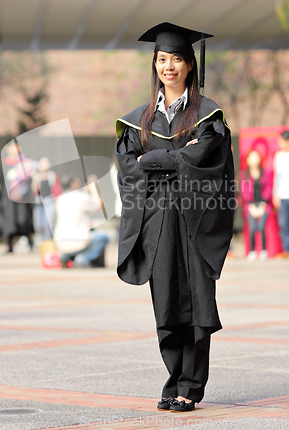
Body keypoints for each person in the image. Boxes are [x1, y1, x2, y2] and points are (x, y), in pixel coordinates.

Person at [115, 22, 235, 412]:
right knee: (165, 301)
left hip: (195, 218)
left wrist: (154, 160)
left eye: (177, 59)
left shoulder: (207, 115)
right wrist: (174, 159)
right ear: (155, 65)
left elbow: (205, 161)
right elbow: (128, 169)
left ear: (189, 66)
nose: (169, 66)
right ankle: (173, 379)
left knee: (198, 302)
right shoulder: (140, 120)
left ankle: (191, 386)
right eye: (162, 59)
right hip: (159, 220)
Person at [54, 173, 109, 267]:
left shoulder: (60, 199)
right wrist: (94, 188)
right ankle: (83, 258)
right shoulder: (82, 197)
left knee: (75, 244)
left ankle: (65, 256)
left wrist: (85, 190)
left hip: (61, 243)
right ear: (73, 183)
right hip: (79, 241)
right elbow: (99, 205)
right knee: (104, 237)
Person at [1, 141, 35, 253]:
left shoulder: (25, 162)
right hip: (9, 197)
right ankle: (10, 245)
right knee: (10, 221)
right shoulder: (5, 163)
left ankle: (30, 242)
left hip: (23, 196)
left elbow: (30, 180)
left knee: (23, 219)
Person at [240, 150, 272, 260]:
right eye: (252, 157)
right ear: (247, 160)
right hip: (250, 205)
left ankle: (264, 250)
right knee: (253, 228)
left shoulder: (265, 172)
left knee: (262, 227)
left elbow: (268, 189)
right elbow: (244, 192)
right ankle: (252, 251)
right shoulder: (244, 174)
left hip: (264, 204)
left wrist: (264, 203)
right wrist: (251, 206)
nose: (254, 160)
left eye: (256, 157)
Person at [32, 157, 62, 243]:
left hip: (50, 202)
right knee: (38, 224)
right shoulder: (36, 176)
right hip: (39, 203)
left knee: (47, 223)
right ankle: (40, 243)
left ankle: (47, 242)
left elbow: (57, 189)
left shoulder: (52, 175)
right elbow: (35, 191)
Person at [273, 130, 289, 258]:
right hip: (283, 195)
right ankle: (287, 250)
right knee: (283, 224)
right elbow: (276, 177)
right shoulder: (278, 156)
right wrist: (275, 194)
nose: (280, 143)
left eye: (281, 141)